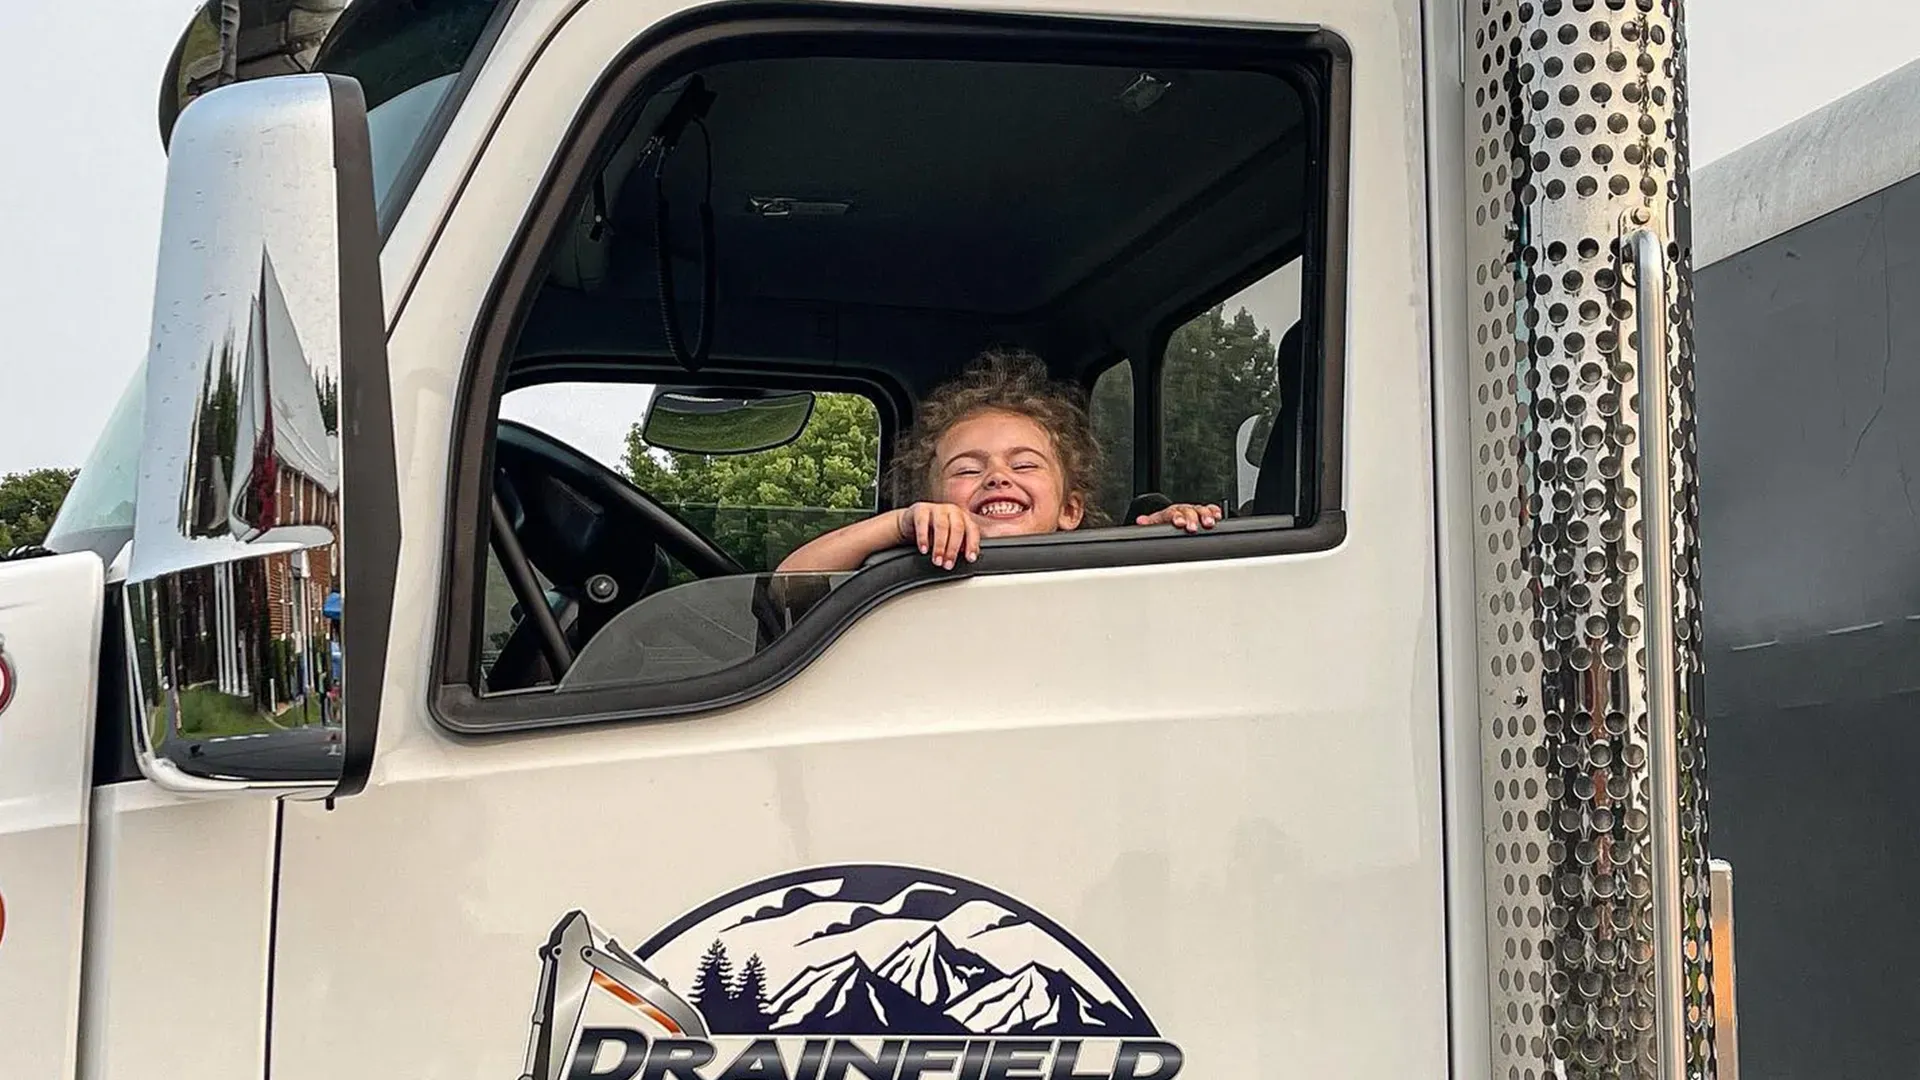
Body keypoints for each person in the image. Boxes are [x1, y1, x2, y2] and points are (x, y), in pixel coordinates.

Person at [777, 348, 1221, 573]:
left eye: (1024, 464)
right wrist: (899, 526)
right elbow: (786, 584)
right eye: (968, 469)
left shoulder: (1094, 569)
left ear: (1070, 510)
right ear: (930, 502)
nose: (996, 478)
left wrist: (1174, 535)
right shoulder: (905, 570)